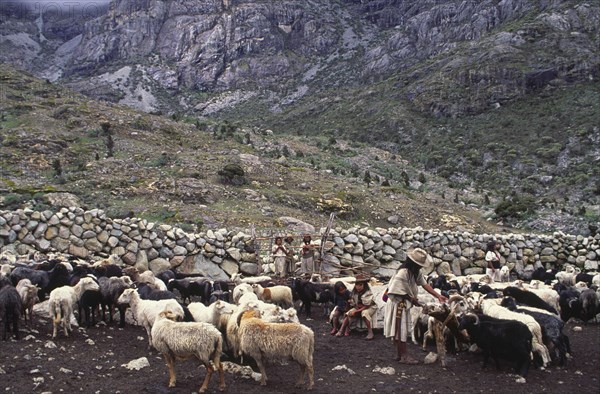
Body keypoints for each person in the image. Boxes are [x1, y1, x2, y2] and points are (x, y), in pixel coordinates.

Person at [383, 248, 447, 364]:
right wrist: (413, 300)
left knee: (400, 329)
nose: (420, 267)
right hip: (398, 303)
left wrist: (438, 295)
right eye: (418, 265)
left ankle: (399, 354)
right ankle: (404, 356)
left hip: (403, 302)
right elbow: (396, 290)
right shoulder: (403, 272)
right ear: (413, 263)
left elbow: (424, 284)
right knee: (400, 329)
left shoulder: (415, 271)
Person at [335, 274, 377, 340]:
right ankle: (341, 330)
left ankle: (370, 332)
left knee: (364, 313)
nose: (358, 287)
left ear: (364, 285)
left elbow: (367, 306)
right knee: (349, 313)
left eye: (360, 285)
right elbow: (354, 302)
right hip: (358, 307)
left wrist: (356, 311)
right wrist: (351, 306)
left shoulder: (368, 293)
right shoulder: (354, 292)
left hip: (369, 307)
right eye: (357, 285)